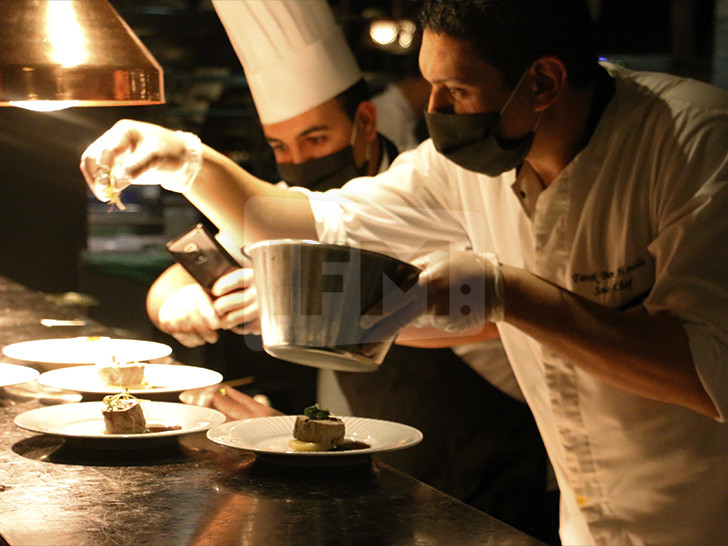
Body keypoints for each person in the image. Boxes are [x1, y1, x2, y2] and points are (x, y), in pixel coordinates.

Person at [80, 0, 728, 543]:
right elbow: (317, 225)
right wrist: (185, 162)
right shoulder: (458, 167)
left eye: (458, 90)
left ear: (543, 82)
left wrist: (505, 292)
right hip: (586, 524)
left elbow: (713, 370)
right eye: (430, 84)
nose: (435, 108)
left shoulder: (695, 142)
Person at [143, 1, 557, 541]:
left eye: (315, 140)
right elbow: (177, 276)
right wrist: (182, 299)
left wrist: (306, 309)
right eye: (280, 147)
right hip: (377, 468)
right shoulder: (301, 202)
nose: (300, 160)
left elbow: (492, 315)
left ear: (365, 123)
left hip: (493, 449)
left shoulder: (434, 188)